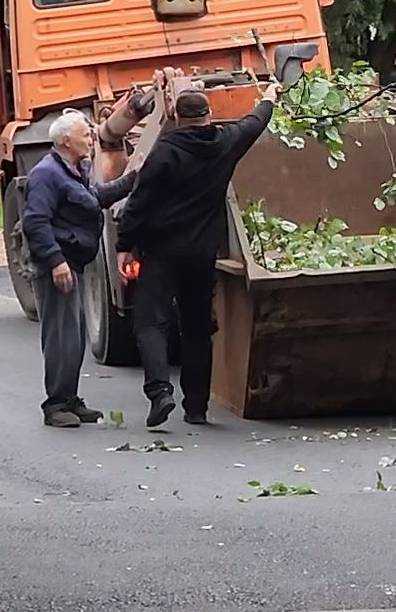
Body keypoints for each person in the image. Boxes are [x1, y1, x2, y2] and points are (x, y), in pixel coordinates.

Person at [116, 81, 278, 427]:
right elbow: (254, 123)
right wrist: (268, 99)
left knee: (150, 321)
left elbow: (139, 203)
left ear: (175, 115)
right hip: (202, 253)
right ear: (209, 115)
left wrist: (123, 245)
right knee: (196, 327)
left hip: (162, 251)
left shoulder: (164, 152)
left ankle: (160, 392)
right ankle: (196, 406)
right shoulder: (224, 144)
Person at [20, 109, 139, 428]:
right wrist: (56, 261)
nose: (91, 138)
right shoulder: (47, 174)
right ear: (66, 140)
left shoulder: (74, 168)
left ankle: (70, 399)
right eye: (86, 135)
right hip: (57, 267)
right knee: (60, 335)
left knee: (74, 334)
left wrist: (131, 180)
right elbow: (35, 221)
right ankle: (55, 404)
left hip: (74, 263)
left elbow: (94, 197)